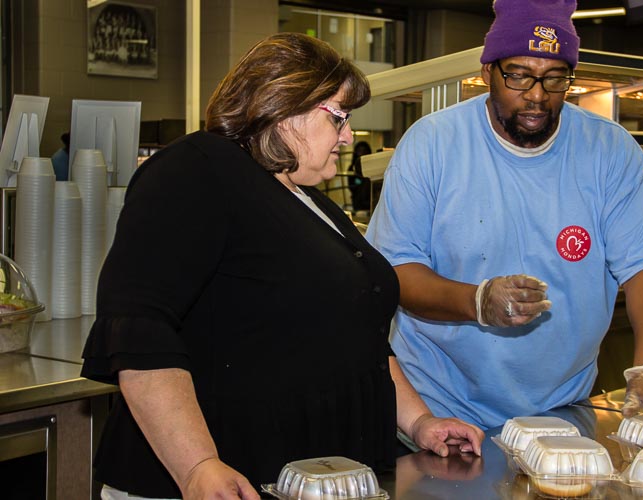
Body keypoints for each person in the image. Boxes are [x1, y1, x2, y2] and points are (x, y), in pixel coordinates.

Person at [81, 33, 483, 500]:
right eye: (339, 117)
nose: (349, 136)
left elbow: (358, 339)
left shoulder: (309, 201)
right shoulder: (196, 169)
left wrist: (420, 422)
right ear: (282, 105)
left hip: (318, 476)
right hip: (220, 481)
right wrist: (198, 465)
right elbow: (140, 332)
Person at [366, 0, 643, 439]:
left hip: (560, 410)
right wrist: (476, 301)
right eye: (519, 75)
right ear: (488, 69)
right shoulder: (433, 144)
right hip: (439, 407)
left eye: (554, 78)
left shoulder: (609, 150)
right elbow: (395, 271)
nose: (536, 94)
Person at [347, 140, 372, 212]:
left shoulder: (372, 167)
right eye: (360, 151)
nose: (362, 153)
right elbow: (351, 185)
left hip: (370, 201)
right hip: (358, 201)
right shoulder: (352, 168)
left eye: (364, 151)